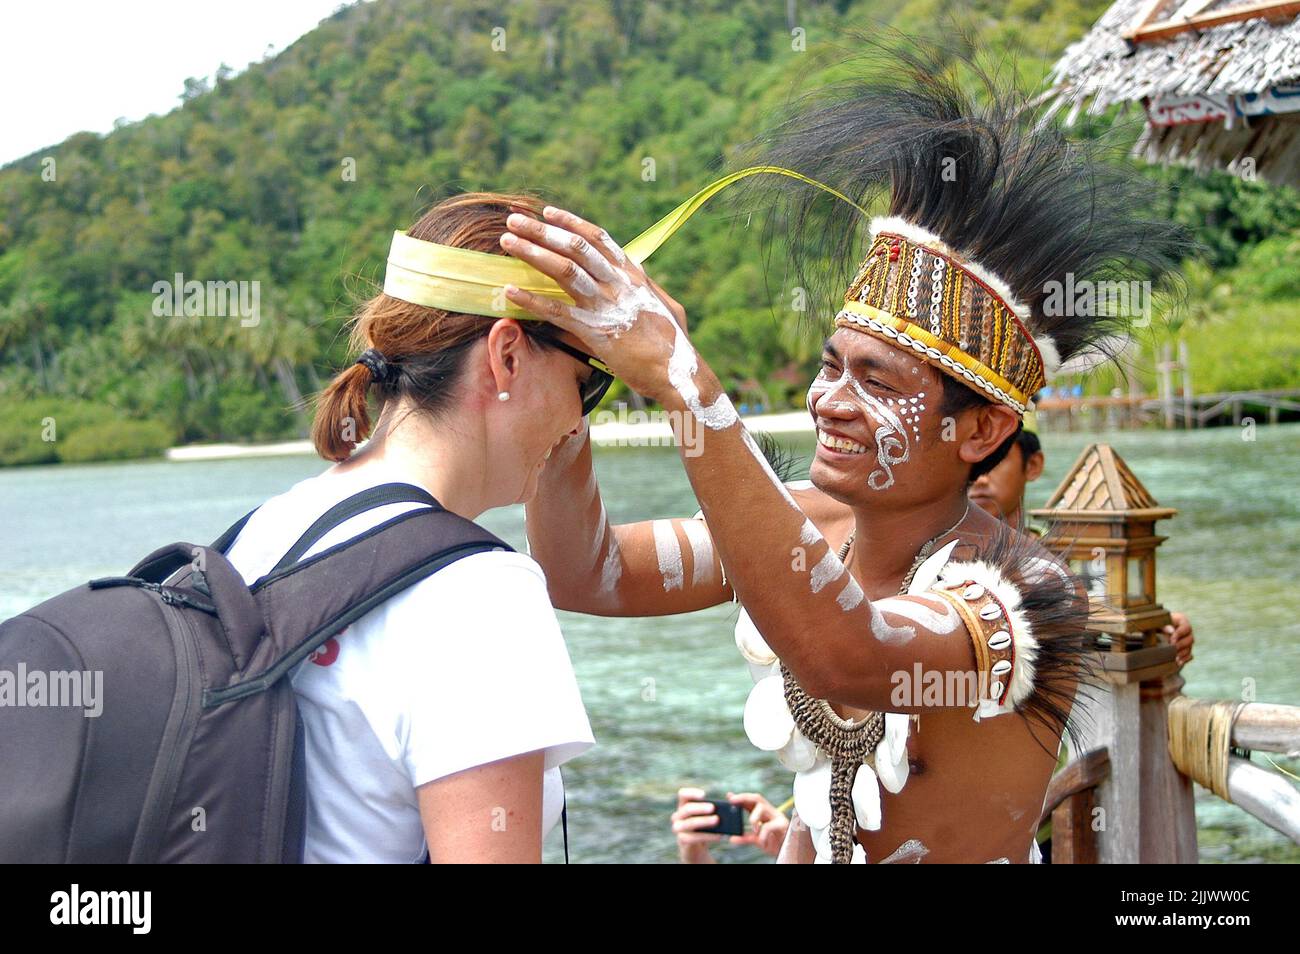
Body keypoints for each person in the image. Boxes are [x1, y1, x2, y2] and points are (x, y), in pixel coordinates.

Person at [501, 45, 1188, 862]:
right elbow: (587, 572)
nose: (830, 401)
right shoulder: (799, 527)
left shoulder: (1025, 595)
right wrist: (579, 380)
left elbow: (848, 656)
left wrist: (684, 383)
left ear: (980, 432)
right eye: (831, 366)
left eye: (876, 380)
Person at [221, 191, 601, 862]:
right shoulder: (479, 591)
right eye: (586, 384)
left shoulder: (263, 529)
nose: (578, 423)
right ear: (507, 356)